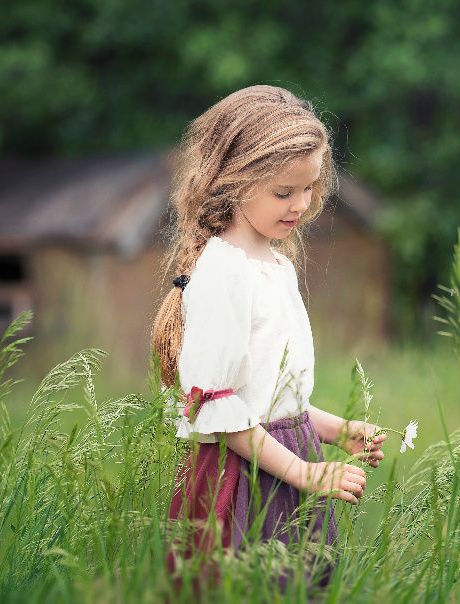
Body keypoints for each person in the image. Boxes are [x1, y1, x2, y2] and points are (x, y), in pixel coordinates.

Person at [150, 84, 388, 594]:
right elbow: (220, 411)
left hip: (284, 457)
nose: (301, 204)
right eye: (284, 192)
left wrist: (335, 429)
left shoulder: (275, 264)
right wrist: (304, 473)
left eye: (310, 188)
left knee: (299, 586)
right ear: (234, 182)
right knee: (252, 587)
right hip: (244, 477)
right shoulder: (221, 273)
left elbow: (269, 394)